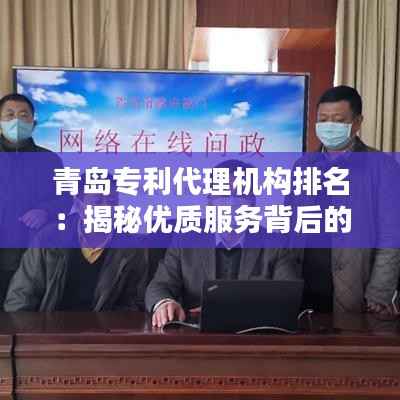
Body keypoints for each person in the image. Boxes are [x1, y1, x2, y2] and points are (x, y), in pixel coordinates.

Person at [146, 159, 301, 328]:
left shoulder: (274, 242)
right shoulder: (186, 239)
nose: (231, 201)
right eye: (223, 193)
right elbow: (159, 285)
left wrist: (230, 310)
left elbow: (289, 297)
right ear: (210, 200)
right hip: (195, 334)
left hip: (253, 334)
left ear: (253, 201)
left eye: (240, 193)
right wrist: (164, 303)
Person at [299, 85, 400, 315]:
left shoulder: (382, 167)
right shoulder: (303, 165)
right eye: (323, 119)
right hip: (305, 287)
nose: (329, 126)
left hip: (355, 285)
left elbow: (392, 235)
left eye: (338, 120)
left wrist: (380, 291)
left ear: (357, 122)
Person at [4, 177, 148, 312]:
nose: (107, 208)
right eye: (97, 202)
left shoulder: (132, 248)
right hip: (48, 327)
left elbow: (132, 305)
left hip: (103, 329)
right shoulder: (48, 239)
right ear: (79, 205)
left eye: (112, 201)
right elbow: (20, 298)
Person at [0, 93, 71, 308]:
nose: (16, 121)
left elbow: (65, 199)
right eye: (9, 115)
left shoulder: (50, 160)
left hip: (33, 256)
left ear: (34, 122)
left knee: (24, 316)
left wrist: (46, 211)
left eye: (23, 115)